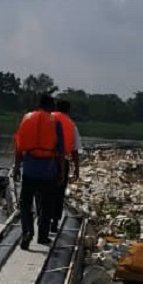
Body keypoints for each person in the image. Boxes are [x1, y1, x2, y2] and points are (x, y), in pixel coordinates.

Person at [13, 93, 65, 248]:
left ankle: (27, 231)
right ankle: (42, 237)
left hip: (29, 169)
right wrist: (62, 172)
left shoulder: (27, 119)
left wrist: (16, 167)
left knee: (25, 203)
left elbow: (19, 146)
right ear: (51, 107)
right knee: (46, 204)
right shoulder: (56, 123)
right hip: (48, 171)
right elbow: (61, 151)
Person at [52, 98, 81, 234]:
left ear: (55, 108)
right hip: (62, 163)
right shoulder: (71, 125)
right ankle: (55, 221)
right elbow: (75, 150)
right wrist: (77, 169)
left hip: (45, 161)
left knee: (44, 192)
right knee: (58, 194)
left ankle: (42, 221)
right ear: (68, 111)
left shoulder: (47, 120)